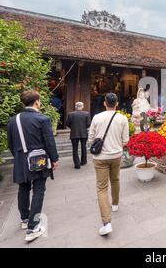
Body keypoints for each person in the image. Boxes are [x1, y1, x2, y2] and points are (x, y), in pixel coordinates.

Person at [7, 90, 59, 242]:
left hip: (20, 158)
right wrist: (54, 159)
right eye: (40, 100)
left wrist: (19, 156)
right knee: (38, 190)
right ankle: (33, 227)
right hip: (38, 159)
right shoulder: (42, 118)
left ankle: (24, 218)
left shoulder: (13, 120)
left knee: (23, 188)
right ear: (36, 102)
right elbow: (49, 141)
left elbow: (10, 143)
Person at [88, 93, 129, 236]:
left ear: (104, 103)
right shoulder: (123, 118)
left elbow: (91, 138)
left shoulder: (97, 118)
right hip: (116, 155)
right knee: (115, 179)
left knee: (101, 188)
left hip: (100, 157)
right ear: (117, 103)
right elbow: (125, 141)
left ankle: (106, 223)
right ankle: (115, 204)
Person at [66, 102, 91, 169]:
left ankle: (77, 164)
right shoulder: (86, 114)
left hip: (74, 133)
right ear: (82, 106)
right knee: (84, 147)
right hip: (83, 133)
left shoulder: (70, 114)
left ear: (75, 106)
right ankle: (83, 161)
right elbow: (88, 124)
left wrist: (73, 127)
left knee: (75, 149)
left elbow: (68, 124)